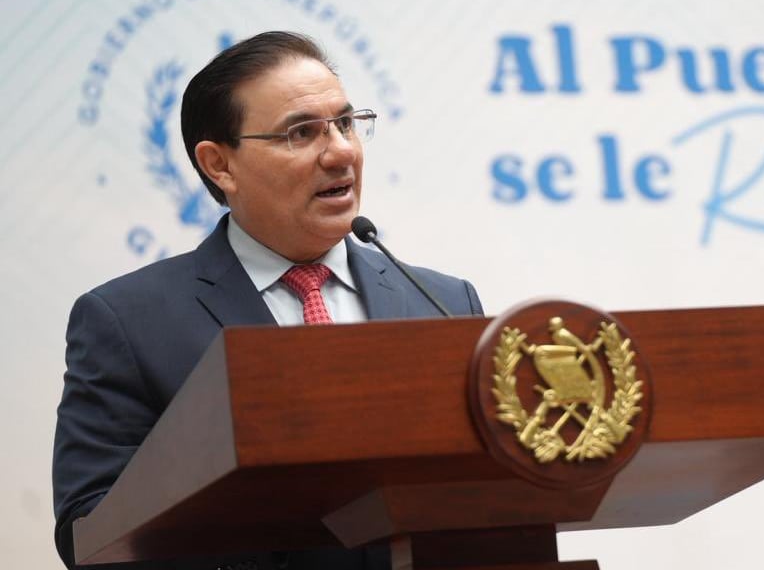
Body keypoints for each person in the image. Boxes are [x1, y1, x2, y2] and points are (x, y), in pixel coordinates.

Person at [52, 31, 482, 570]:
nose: (342, 151)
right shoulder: (129, 322)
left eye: (347, 123)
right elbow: (88, 531)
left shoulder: (442, 303)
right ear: (219, 164)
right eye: (302, 132)